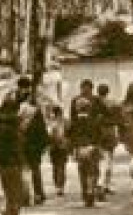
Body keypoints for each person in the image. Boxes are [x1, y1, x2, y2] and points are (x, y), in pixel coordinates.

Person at [0, 82, 29, 215]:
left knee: (12, 197)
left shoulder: (0, 124)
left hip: (3, 163)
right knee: (16, 197)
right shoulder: (13, 127)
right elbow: (18, 146)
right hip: (13, 162)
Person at [67, 79, 104, 207]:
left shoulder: (75, 121)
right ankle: (90, 191)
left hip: (79, 146)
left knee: (82, 170)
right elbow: (100, 132)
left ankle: (86, 193)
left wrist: (72, 147)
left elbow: (70, 132)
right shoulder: (94, 120)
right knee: (93, 171)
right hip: (92, 146)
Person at [23, 87, 51, 205]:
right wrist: (45, 143)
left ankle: (25, 195)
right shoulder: (35, 111)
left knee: (24, 170)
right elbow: (42, 129)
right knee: (35, 169)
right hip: (34, 144)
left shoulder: (17, 111)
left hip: (22, 144)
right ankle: (38, 194)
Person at [95, 83, 121, 201]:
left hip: (97, 133)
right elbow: (118, 119)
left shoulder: (94, 103)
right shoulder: (114, 103)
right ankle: (106, 184)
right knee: (109, 158)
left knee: (100, 159)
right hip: (110, 132)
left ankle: (100, 183)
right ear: (108, 91)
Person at [46, 98, 69, 198]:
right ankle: (60, 187)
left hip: (54, 147)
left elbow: (48, 135)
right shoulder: (65, 121)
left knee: (56, 167)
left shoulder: (50, 123)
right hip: (62, 146)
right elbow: (69, 133)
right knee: (61, 166)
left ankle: (58, 186)